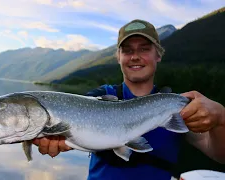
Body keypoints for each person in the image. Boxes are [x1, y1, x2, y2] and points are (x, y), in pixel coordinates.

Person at [32, 19, 225, 179]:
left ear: (158, 55)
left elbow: (220, 155)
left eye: (144, 49)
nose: (135, 57)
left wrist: (220, 118)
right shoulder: (98, 98)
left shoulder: (178, 107)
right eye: (127, 50)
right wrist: (53, 136)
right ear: (118, 56)